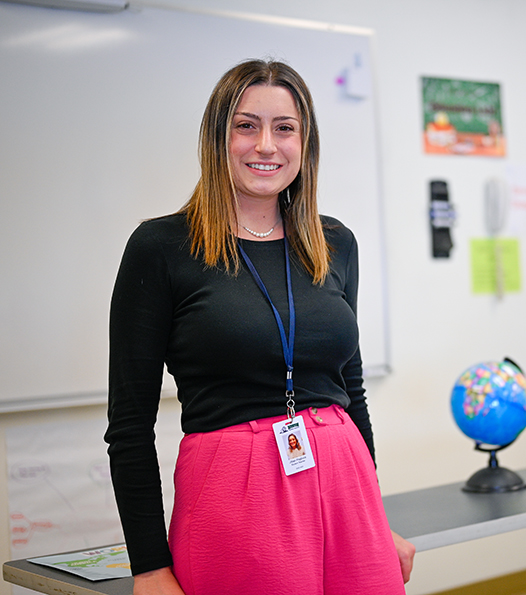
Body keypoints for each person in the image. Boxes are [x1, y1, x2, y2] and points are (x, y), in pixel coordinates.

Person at [105, 59, 415, 595]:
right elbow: (129, 424)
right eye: (246, 125)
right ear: (216, 136)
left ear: (305, 142)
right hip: (234, 488)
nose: (266, 145)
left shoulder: (334, 242)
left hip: (345, 485)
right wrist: (150, 567)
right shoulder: (161, 248)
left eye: (284, 128)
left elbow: (352, 392)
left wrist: (374, 516)